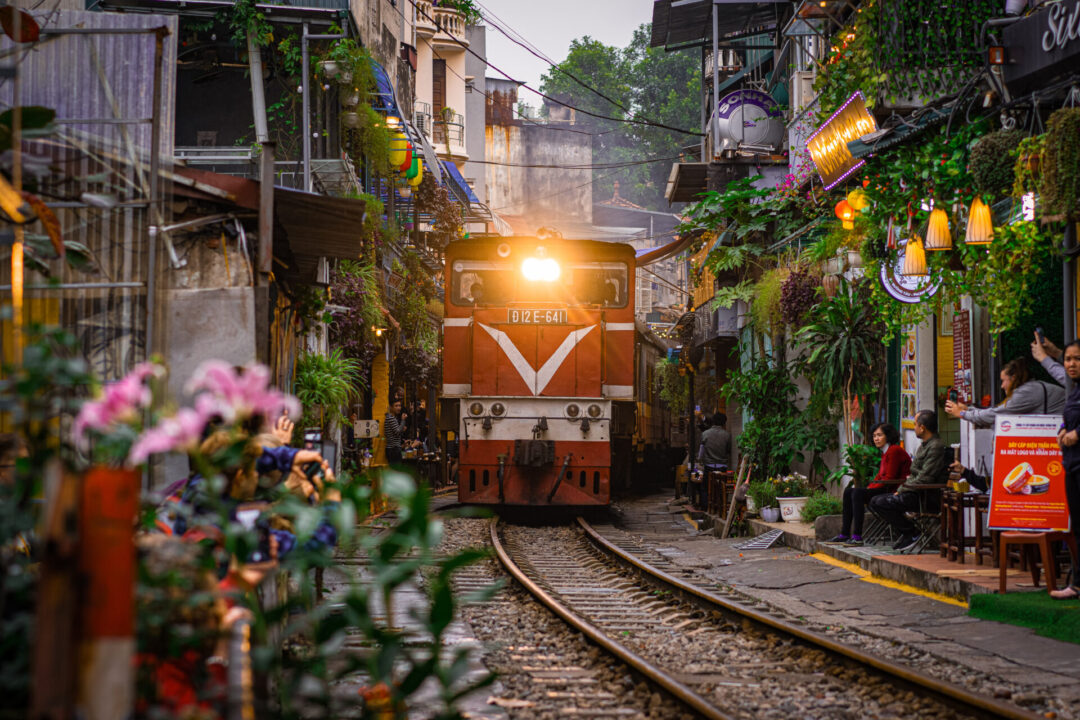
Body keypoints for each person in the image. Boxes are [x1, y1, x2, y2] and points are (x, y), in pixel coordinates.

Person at [868, 410, 949, 552]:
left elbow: (925, 477)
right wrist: (905, 487)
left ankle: (912, 533)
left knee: (881, 502)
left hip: (926, 496)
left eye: (915, 424)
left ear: (922, 427)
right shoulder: (924, 445)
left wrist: (901, 490)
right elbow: (914, 473)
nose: (914, 427)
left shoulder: (935, 446)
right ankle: (909, 533)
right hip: (915, 492)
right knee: (875, 501)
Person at [829, 422, 911, 546]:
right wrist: (869, 487)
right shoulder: (886, 452)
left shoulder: (894, 451)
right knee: (848, 491)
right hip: (885, 486)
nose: (876, 439)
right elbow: (880, 475)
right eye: (874, 436)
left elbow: (890, 477)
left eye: (879, 435)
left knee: (857, 493)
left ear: (888, 436)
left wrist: (870, 488)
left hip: (893, 489)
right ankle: (844, 534)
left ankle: (857, 536)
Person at [945, 357, 1065, 427]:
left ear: (1013, 378)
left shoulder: (1025, 393)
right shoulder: (1030, 388)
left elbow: (997, 414)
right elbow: (997, 410)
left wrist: (962, 414)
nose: (1002, 386)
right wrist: (968, 410)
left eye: (1003, 381)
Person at [1051, 340, 1080, 600]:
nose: (1071, 364)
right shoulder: (1075, 391)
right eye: (1068, 359)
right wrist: (1063, 430)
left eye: (1077, 359)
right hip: (1071, 465)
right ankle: (1077, 583)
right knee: (1077, 527)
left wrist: (1077, 434)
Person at [385, 399, 407, 465]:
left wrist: (402, 429)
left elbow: (396, 432)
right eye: (396, 406)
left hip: (393, 449)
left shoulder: (392, 417)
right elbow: (397, 431)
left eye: (399, 406)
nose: (399, 408)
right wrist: (403, 420)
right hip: (393, 450)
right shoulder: (390, 418)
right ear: (391, 407)